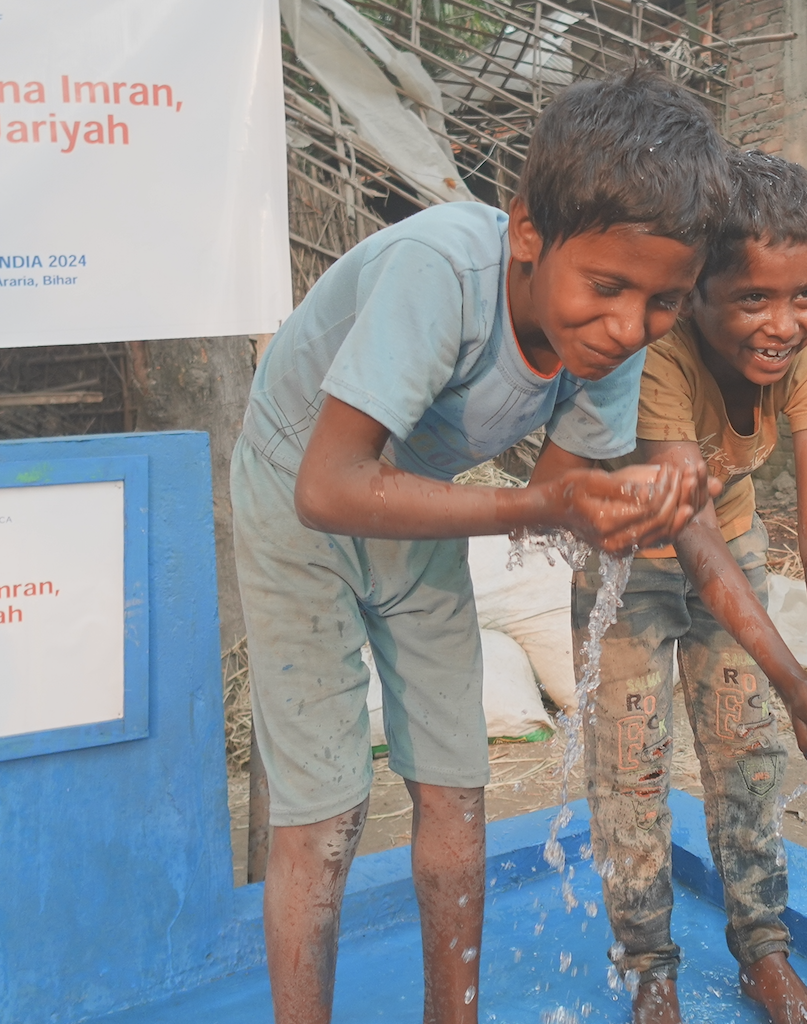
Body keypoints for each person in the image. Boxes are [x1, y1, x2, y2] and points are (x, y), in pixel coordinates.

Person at [233, 68, 731, 1024]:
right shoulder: (443, 273)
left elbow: (558, 498)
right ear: (528, 235)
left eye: (663, 303)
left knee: (456, 784)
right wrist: (544, 506)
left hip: (412, 497)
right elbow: (330, 485)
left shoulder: (607, 348)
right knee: (327, 811)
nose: (629, 328)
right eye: (608, 287)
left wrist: (645, 500)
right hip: (300, 487)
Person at [579, 149, 807, 1024]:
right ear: (694, 291)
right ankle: (649, 969)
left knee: (747, 760)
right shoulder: (658, 358)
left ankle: (764, 951)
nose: (783, 323)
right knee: (630, 777)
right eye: (753, 298)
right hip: (633, 570)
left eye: (804, 295)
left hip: (734, 556)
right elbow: (685, 532)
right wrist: (794, 680)